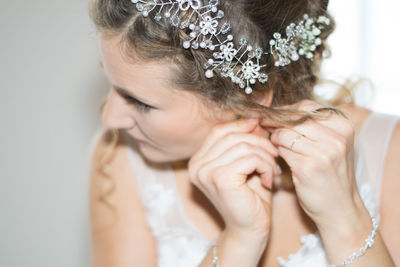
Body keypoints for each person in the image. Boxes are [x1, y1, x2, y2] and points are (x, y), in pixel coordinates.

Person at [87, 0, 400, 266]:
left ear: (251, 98)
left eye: (140, 102)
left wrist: (344, 219)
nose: (109, 117)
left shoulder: (388, 150)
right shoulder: (119, 157)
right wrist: (238, 242)